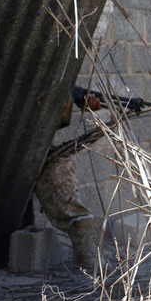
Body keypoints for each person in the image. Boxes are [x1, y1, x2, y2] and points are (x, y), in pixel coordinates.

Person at [32, 88, 101, 269]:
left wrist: (77, 100)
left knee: (75, 214)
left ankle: (88, 267)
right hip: (25, 146)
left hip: (42, 146)